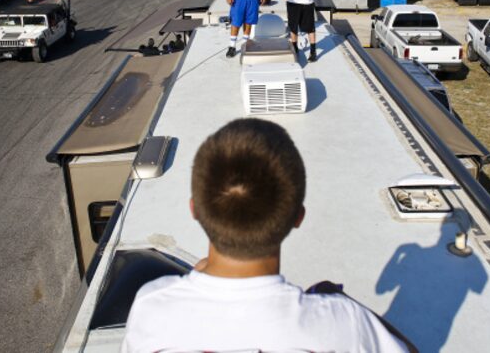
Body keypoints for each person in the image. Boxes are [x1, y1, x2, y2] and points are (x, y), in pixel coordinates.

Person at [123, 119, 411, 353]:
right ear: (297, 217)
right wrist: (333, 298)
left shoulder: (153, 306)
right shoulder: (343, 323)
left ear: (195, 210)